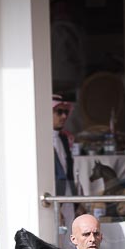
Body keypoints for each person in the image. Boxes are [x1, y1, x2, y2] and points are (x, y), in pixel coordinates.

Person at [51, 95, 80, 232]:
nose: (64, 116)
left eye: (66, 112)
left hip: (67, 196)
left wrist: (76, 202)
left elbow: (68, 172)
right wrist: (55, 206)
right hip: (53, 198)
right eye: (59, 112)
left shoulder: (63, 138)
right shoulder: (40, 139)